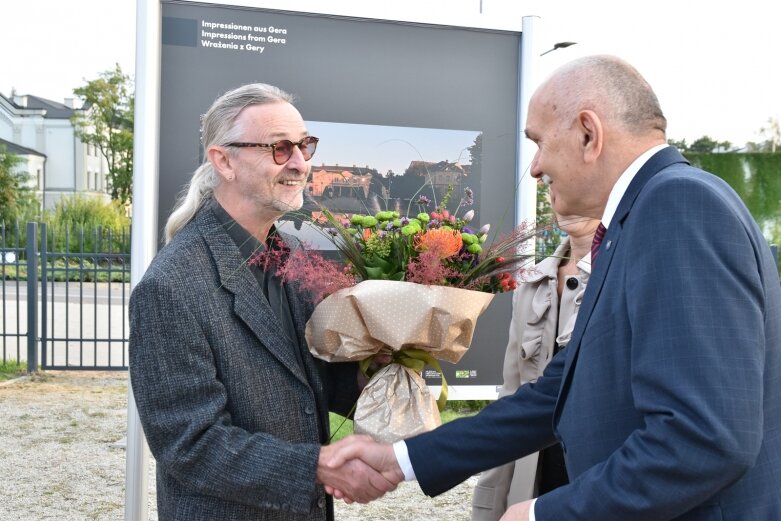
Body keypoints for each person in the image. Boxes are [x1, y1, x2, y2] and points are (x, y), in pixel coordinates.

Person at [324, 55, 781, 520]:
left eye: (539, 143)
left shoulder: (675, 206)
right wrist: (405, 459)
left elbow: (704, 438)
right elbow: (559, 393)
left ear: (588, 133)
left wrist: (545, 514)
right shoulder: (641, 216)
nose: (537, 168)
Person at [129, 83, 394, 521]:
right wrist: (315, 465)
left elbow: (314, 380)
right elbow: (190, 444)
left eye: (305, 146)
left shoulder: (290, 256)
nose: (300, 163)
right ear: (223, 161)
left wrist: (385, 367)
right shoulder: (171, 286)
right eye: (279, 148)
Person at [472, 213, 598, 520]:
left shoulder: (629, 275)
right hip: (534, 493)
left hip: (599, 493)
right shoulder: (531, 284)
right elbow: (512, 400)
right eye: (552, 183)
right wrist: (488, 506)